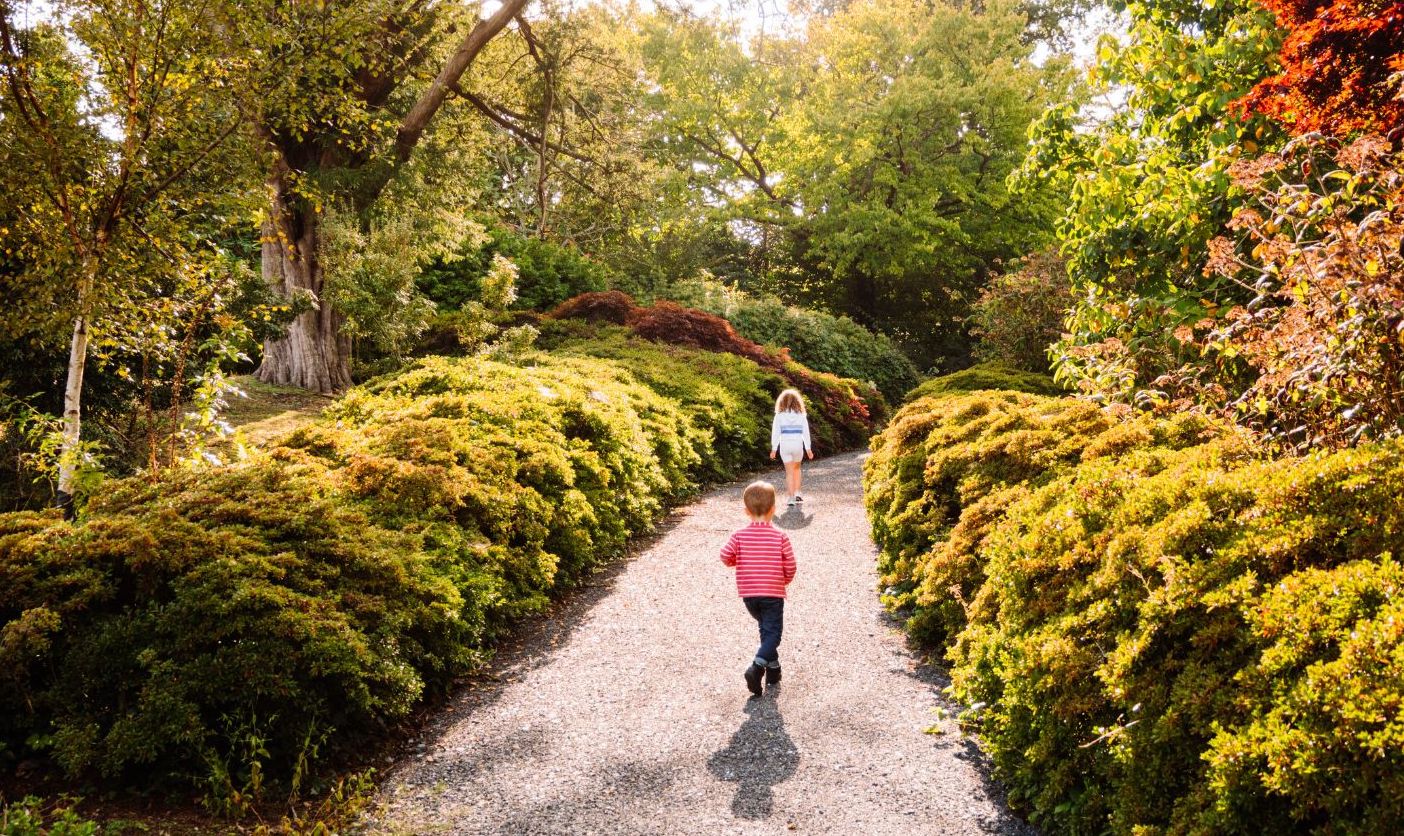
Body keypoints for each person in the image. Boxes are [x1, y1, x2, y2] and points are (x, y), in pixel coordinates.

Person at [719, 480, 797, 697]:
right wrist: (784, 581)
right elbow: (790, 565)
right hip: (772, 593)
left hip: (749, 595)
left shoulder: (739, 536)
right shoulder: (780, 536)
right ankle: (757, 666)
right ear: (774, 509)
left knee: (766, 629)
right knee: (773, 634)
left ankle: (773, 670)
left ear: (746, 511)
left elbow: (725, 555)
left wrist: (739, 560)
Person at [769, 389, 813, 506]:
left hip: (785, 445)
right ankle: (798, 493)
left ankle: (791, 498)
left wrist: (774, 448)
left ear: (781, 402)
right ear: (797, 402)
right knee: (797, 469)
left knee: (789, 472)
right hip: (798, 445)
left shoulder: (779, 416)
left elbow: (776, 433)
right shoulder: (801, 416)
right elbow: (806, 433)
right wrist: (808, 448)